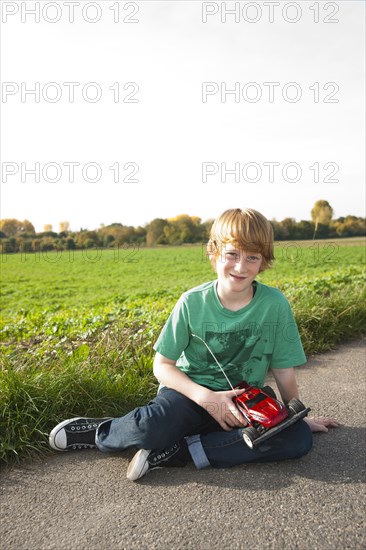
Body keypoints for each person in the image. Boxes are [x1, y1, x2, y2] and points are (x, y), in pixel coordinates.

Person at [49, 208, 338, 480]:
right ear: (214, 252)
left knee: (298, 440)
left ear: (264, 260)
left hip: (244, 401)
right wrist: (205, 398)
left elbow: (283, 369)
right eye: (232, 254)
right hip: (190, 394)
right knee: (153, 426)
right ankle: (100, 431)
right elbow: (162, 365)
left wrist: (293, 416)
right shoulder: (192, 302)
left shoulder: (274, 305)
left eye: (252, 257)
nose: (240, 266)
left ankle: (178, 451)